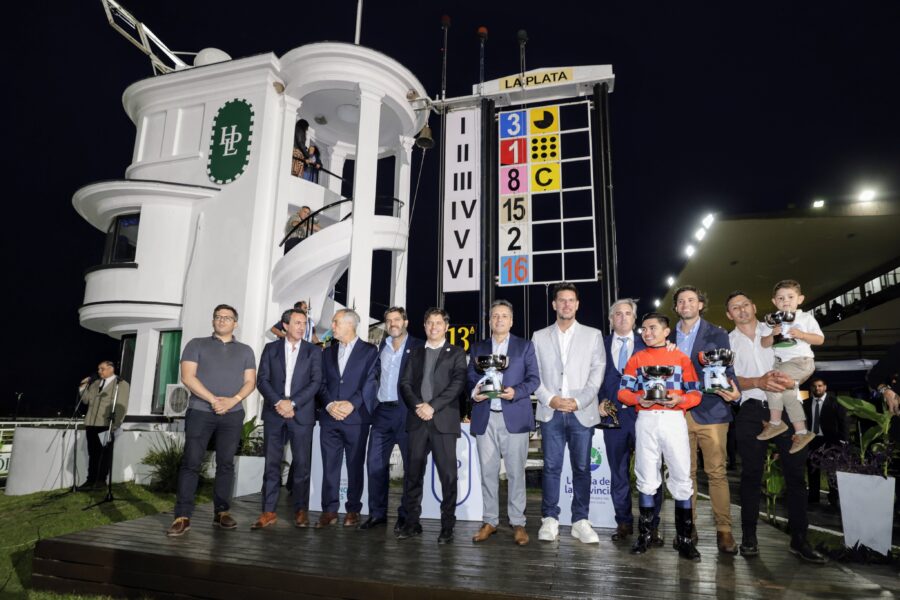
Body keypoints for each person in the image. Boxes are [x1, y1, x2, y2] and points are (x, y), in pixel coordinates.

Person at [725, 291, 826, 563]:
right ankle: (749, 538)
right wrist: (757, 381)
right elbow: (728, 380)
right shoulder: (727, 342)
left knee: (796, 475)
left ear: (755, 306)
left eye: (746, 304)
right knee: (750, 475)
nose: (742, 310)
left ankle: (800, 539)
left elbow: (803, 357)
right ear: (729, 314)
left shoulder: (778, 326)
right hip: (750, 409)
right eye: (735, 307)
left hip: (786, 406)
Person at [167, 304, 257, 536]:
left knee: (226, 464)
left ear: (235, 323)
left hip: (233, 413)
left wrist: (232, 400)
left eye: (227, 318)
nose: (222, 320)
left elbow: (250, 382)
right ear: (213, 321)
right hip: (200, 411)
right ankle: (182, 516)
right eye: (218, 317)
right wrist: (213, 400)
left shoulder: (246, 350)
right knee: (191, 463)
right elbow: (188, 377)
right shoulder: (196, 344)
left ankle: (222, 512)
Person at [618, 313, 702, 560]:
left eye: (652, 328)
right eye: (643, 329)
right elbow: (623, 391)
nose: (646, 332)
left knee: (681, 475)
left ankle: (685, 539)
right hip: (646, 419)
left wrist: (681, 399)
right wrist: (638, 399)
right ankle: (644, 536)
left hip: (674, 418)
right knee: (646, 475)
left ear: (667, 332)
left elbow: (695, 393)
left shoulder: (681, 358)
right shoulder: (637, 359)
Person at [532, 282, 606, 544]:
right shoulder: (539, 336)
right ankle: (549, 519)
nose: (566, 304)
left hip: (581, 412)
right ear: (554, 305)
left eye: (570, 300)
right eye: (561, 300)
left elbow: (597, 373)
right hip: (551, 412)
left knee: (583, 468)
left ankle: (580, 521)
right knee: (551, 467)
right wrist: (551, 399)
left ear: (577, 304)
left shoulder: (593, 335)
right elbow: (534, 374)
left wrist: (578, 401)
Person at [668, 285, 740, 554]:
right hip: (677, 413)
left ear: (700, 304)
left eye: (691, 300)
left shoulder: (718, 333)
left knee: (717, 473)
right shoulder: (667, 336)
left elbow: (726, 368)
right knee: (684, 475)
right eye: (680, 301)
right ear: (676, 307)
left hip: (712, 411)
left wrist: (735, 391)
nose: (685, 304)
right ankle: (688, 527)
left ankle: (724, 531)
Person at [468, 299, 540, 546]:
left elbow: (534, 379)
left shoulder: (524, 347)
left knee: (516, 473)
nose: (499, 320)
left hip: (514, 417)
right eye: (495, 316)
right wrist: (475, 393)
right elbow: (469, 378)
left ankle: (518, 522)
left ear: (511, 320)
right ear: (489, 321)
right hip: (484, 417)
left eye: (504, 316)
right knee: (487, 473)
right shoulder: (478, 348)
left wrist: (516, 392)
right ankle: (490, 521)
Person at [397, 308, 467, 543]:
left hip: (443, 422)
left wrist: (432, 406)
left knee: (448, 476)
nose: (434, 327)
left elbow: (458, 384)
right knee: (413, 475)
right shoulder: (414, 353)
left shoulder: (457, 353)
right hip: (417, 421)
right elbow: (404, 384)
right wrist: (419, 406)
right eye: (429, 323)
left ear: (446, 326)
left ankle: (447, 526)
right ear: (424, 326)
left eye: (438, 323)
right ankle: (411, 523)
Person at [598, 299, 664, 544]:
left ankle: (651, 524)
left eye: (628, 314)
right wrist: (599, 400)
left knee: (650, 471)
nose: (623, 318)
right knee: (618, 473)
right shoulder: (600, 345)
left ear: (635, 319)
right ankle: (623, 521)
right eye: (618, 314)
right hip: (612, 417)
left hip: (644, 415)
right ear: (611, 318)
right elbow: (592, 377)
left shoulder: (649, 344)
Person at [252, 309, 323, 529]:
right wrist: (279, 403)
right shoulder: (271, 349)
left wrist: (291, 404)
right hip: (275, 414)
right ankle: (268, 511)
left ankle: (300, 510)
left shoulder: (313, 351)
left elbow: (316, 382)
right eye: (297, 323)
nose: (301, 327)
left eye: (304, 323)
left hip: (300, 414)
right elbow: (262, 380)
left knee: (302, 465)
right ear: (285, 325)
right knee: (272, 464)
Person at [359, 306, 424, 531]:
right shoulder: (380, 347)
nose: (392, 324)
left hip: (408, 413)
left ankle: (405, 516)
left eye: (397, 319)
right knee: (375, 464)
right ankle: (377, 514)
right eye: (388, 320)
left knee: (411, 469)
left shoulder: (418, 346)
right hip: (381, 413)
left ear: (405, 322)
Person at [316, 309, 379, 528]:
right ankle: (329, 510)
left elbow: (371, 382)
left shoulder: (370, 351)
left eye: (335, 322)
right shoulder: (327, 352)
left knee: (354, 466)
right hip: (330, 418)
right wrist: (330, 404)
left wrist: (352, 404)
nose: (332, 326)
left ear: (350, 324)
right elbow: (321, 384)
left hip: (357, 419)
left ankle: (353, 509)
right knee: (329, 466)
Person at [757, 280, 824, 454]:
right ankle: (801, 432)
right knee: (788, 396)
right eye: (780, 298)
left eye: (790, 297)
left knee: (772, 383)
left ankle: (776, 422)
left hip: (800, 361)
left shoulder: (805, 318)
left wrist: (802, 334)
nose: (785, 300)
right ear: (774, 302)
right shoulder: (772, 321)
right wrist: (773, 334)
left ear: (800, 299)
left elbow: (820, 339)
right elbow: (764, 343)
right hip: (781, 362)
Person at [77, 361, 130, 490]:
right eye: (98, 369)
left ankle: (101, 481)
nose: (99, 371)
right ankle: (91, 480)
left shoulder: (121, 384)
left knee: (104, 453)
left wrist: (115, 425)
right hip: (91, 423)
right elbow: (85, 400)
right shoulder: (95, 383)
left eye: (102, 369)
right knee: (93, 453)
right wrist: (83, 386)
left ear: (111, 369)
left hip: (106, 424)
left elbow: (122, 405)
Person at [804, 378, 848, 507]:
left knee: (831, 471)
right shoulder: (805, 404)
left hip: (831, 442)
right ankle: (813, 497)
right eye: (814, 386)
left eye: (820, 386)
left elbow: (844, 423)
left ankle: (834, 499)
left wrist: (843, 442)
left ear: (825, 387)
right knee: (812, 470)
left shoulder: (836, 403)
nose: (817, 388)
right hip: (811, 441)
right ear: (811, 388)